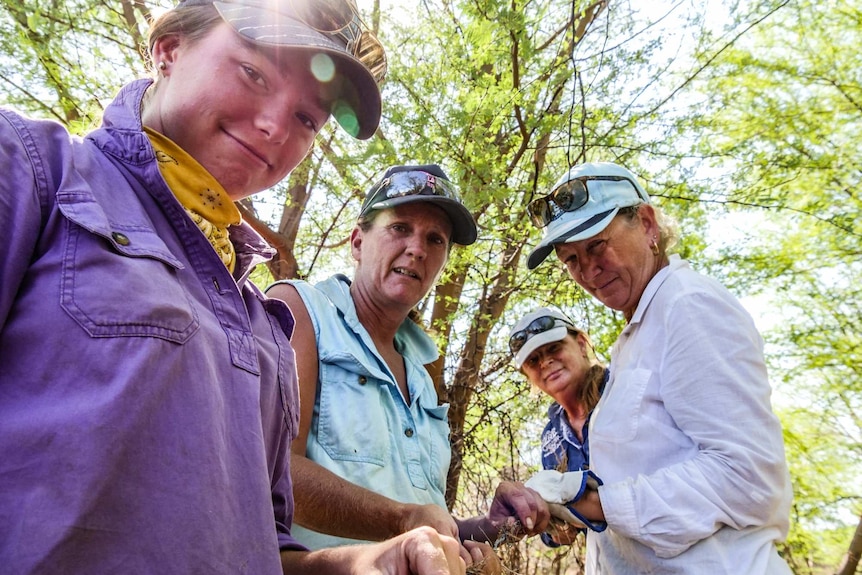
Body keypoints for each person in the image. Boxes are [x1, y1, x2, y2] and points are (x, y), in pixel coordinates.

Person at [0, 0, 471, 573]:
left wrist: (365, 564)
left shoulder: (260, 325)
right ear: (170, 48)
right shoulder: (34, 172)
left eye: (306, 119)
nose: (276, 127)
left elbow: (264, 546)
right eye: (254, 72)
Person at [266, 164, 550, 570]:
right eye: (400, 228)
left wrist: (486, 528)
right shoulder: (302, 309)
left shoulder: (422, 369)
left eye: (435, 239)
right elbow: (272, 470)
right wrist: (404, 519)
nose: (418, 248)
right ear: (358, 241)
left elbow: (424, 522)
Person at [524, 161, 794, 573]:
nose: (588, 270)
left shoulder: (688, 305)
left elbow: (748, 478)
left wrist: (594, 501)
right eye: (571, 259)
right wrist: (557, 504)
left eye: (597, 244)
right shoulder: (637, 334)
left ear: (647, 224)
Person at [508, 306, 607, 547]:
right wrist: (552, 530)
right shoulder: (551, 437)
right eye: (533, 360)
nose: (546, 362)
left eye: (554, 348)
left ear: (582, 344)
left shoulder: (622, 392)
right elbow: (557, 515)